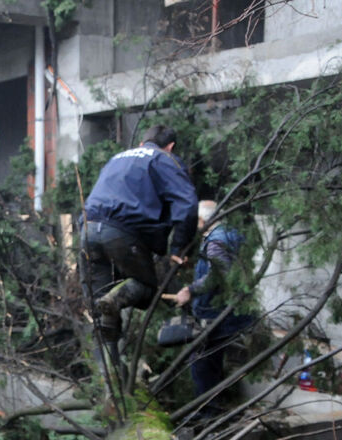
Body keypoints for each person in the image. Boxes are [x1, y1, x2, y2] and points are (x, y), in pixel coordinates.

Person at [81, 125, 199, 348]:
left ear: (142, 142)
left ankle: (110, 368)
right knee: (146, 288)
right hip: (121, 232)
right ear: (170, 147)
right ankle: (113, 301)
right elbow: (188, 204)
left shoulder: (117, 158)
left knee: (101, 314)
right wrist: (179, 249)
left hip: (88, 230)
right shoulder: (163, 158)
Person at [170, 200, 254, 411]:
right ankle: (213, 407)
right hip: (231, 312)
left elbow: (217, 275)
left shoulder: (216, 241)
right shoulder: (232, 234)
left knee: (201, 362)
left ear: (201, 220)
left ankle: (206, 413)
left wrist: (189, 290)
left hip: (215, 314)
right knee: (213, 362)